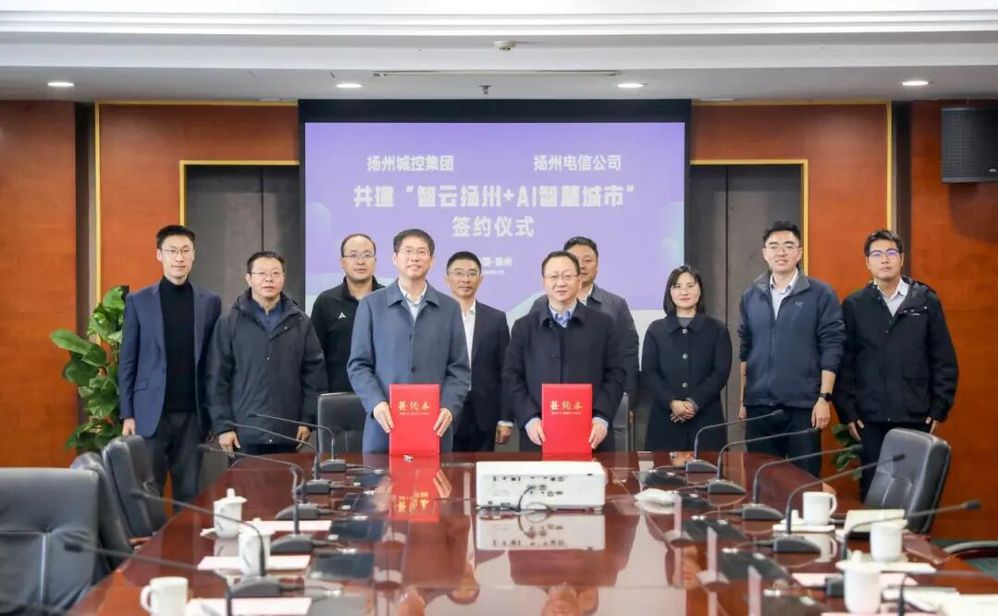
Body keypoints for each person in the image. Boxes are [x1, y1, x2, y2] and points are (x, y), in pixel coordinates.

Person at [833, 229, 958, 497]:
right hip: (870, 418)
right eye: (877, 254)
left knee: (913, 493)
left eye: (891, 253)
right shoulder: (855, 305)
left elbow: (943, 359)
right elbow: (845, 363)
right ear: (867, 262)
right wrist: (848, 412)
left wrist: (939, 407)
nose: (885, 259)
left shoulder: (925, 301)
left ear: (902, 258)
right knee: (874, 491)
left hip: (914, 414)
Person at [118, 224, 221, 504]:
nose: (179, 257)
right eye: (172, 251)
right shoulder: (138, 301)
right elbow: (128, 360)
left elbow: (213, 362)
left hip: (193, 414)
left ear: (194, 255)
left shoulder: (210, 302)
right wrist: (128, 413)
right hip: (150, 412)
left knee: (189, 494)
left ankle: (186, 536)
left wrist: (213, 413)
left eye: (185, 251)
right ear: (159, 255)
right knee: (148, 492)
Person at [347, 229, 471, 453]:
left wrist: (449, 407)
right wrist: (376, 403)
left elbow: (459, 368)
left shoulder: (449, 308)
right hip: (384, 427)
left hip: (435, 427)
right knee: (382, 477)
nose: (415, 257)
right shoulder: (371, 305)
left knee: (437, 477)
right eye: (408, 251)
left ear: (432, 260)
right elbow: (358, 365)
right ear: (395, 258)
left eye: (421, 252)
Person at [737, 221, 845, 476]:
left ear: (799, 252)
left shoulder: (820, 294)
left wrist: (824, 398)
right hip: (759, 406)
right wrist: (743, 400)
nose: (781, 252)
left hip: (802, 407)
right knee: (761, 483)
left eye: (788, 246)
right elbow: (746, 350)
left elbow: (832, 346)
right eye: (774, 246)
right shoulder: (751, 296)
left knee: (803, 483)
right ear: (765, 253)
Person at [206, 250, 326, 455]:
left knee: (288, 477)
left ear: (283, 277)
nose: (269, 279)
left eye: (275, 273)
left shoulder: (300, 322)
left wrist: (307, 420)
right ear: (249, 278)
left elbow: (314, 374)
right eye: (261, 273)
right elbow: (216, 377)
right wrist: (223, 426)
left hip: (288, 430)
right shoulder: (229, 322)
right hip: (244, 432)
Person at [505, 251, 625, 452]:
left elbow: (617, 374)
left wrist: (601, 417)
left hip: (592, 434)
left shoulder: (604, 324)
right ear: (543, 281)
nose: (560, 282)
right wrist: (529, 418)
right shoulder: (524, 327)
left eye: (567, 276)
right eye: (553, 276)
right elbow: (512, 376)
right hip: (539, 434)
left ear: (579, 280)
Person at [532, 237, 640, 447]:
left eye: (588, 260)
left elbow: (628, 352)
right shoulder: (541, 304)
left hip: (601, 403)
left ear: (597, 266)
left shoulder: (615, 304)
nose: (581, 264)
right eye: (575, 259)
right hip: (553, 407)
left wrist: (630, 399)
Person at [642, 265, 732, 452]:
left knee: (707, 469)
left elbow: (720, 372)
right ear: (670, 292)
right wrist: (672, 403)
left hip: (706, 419)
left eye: (690, 286)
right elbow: (650, 373)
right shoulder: (656, 330)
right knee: (664, 470)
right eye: (677, 286)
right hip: (665, 420)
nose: (684, 291)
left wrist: (694, 403)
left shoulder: (717, 329)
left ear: (700, 290)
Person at [443, 251, 512, 452]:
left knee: (481, 468)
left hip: (484, 413)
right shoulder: (435, 318)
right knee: (443, 468)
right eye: (459, 273)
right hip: (445, 410)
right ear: (447, 279)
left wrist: (505, 418)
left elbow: (506, 372)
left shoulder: (496, 319)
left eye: (472, 273)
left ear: (480, 279)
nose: (465, 279)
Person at [310, 233, 384, 392]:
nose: (360, 261)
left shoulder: (389, 300)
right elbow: (315, 356)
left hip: (383, 395)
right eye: (353, 255)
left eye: (367, 255)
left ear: (375, 261)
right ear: (342, 262)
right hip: (338, 395)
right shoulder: (326, 302)